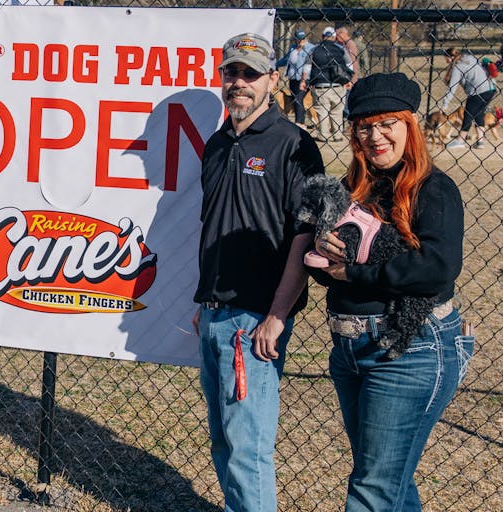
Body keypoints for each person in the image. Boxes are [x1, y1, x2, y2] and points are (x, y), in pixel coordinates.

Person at [309, 72, 470, 512]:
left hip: (408, 348)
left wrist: (354, 272)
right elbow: (332, 270)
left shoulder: (432, 188)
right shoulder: (350, 189)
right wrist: (324, 253)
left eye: (386, 124)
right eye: (364, 126)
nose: (375, 136)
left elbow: (437, 267)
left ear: (409, 127)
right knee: (387, 480)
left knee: (373, 488)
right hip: (349, 348)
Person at [193, 33, 323, 512]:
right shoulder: (216, 143)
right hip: (213, 312)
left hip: (254, 321)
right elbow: (214, 225)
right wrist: (203, 299)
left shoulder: (294, 145)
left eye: (251, 73)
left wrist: (277, 315)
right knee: (224, 443)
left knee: (247, 450)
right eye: (232, 72)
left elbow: (304, 239)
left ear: (272, 78)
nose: (240, 83)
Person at [303, 26, 355, 143]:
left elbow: (307, 67)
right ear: (334, 37)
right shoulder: (340, 49)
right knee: (337, 110)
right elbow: (349, 64)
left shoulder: (314, 50)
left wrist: (304, 81)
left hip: (320, 85)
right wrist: (348, 79)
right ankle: (337, 135)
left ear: (322, 37)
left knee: (322, 111)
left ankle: (324, 135)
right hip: (337, 85)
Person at [439, 48, 497, 150]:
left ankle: (460, 140)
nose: (446, 61)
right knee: (479, 114)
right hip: (491, 89)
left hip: (478, 91)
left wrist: (445, 104)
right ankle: (480, 142)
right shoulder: (471, 58)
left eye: (446, 58)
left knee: (468, 114)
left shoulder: (458, 67)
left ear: (451, 57)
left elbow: (452, 87)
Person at [277, 30, 314, 126]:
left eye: (303, 39)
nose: (301, 41)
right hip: (292, 78)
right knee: (295, 100)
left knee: (299, 99)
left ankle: (299, 122)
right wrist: (273, 64)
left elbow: (312, 64)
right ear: (295, 39)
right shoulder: (293, 48)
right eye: (299, 39)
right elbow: (285, 60)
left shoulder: (310, 48)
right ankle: (299, 121)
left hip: (304, 79)